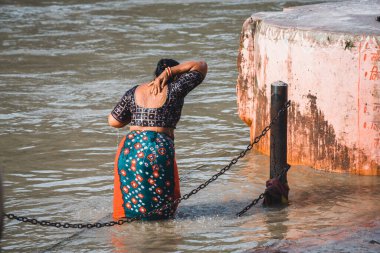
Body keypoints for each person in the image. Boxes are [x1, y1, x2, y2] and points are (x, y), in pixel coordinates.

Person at [109, 59, 207, 220]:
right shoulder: (176, 88)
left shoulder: (134, 91)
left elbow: (113, 121)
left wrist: (137, 115)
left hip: (130, 148)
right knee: (164, 206)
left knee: (130, 201)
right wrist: (170, 73)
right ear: (176, 75)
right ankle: (161, 239)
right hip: (157, 148)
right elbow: (201, 65)